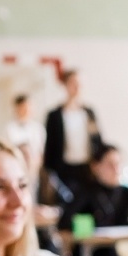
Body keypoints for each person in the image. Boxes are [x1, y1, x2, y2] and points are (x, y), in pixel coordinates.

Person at [44, 68, 102, 200]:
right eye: (73, 83)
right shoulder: (55, 115)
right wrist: (50, 172)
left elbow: (97, 139)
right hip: (64, 169)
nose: (77, 87)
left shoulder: (88, 113)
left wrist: (98, 163)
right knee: (68, 202)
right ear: (65, 85)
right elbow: (50, 146)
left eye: (79, 84)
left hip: (87, 168)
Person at [5, 93, 46, 187]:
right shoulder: (10, 129)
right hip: (16, 169)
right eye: (23, 107)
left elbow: (41, 151)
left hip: (35, 171)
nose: (27, 109)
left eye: (28, 106)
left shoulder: (38, 128)